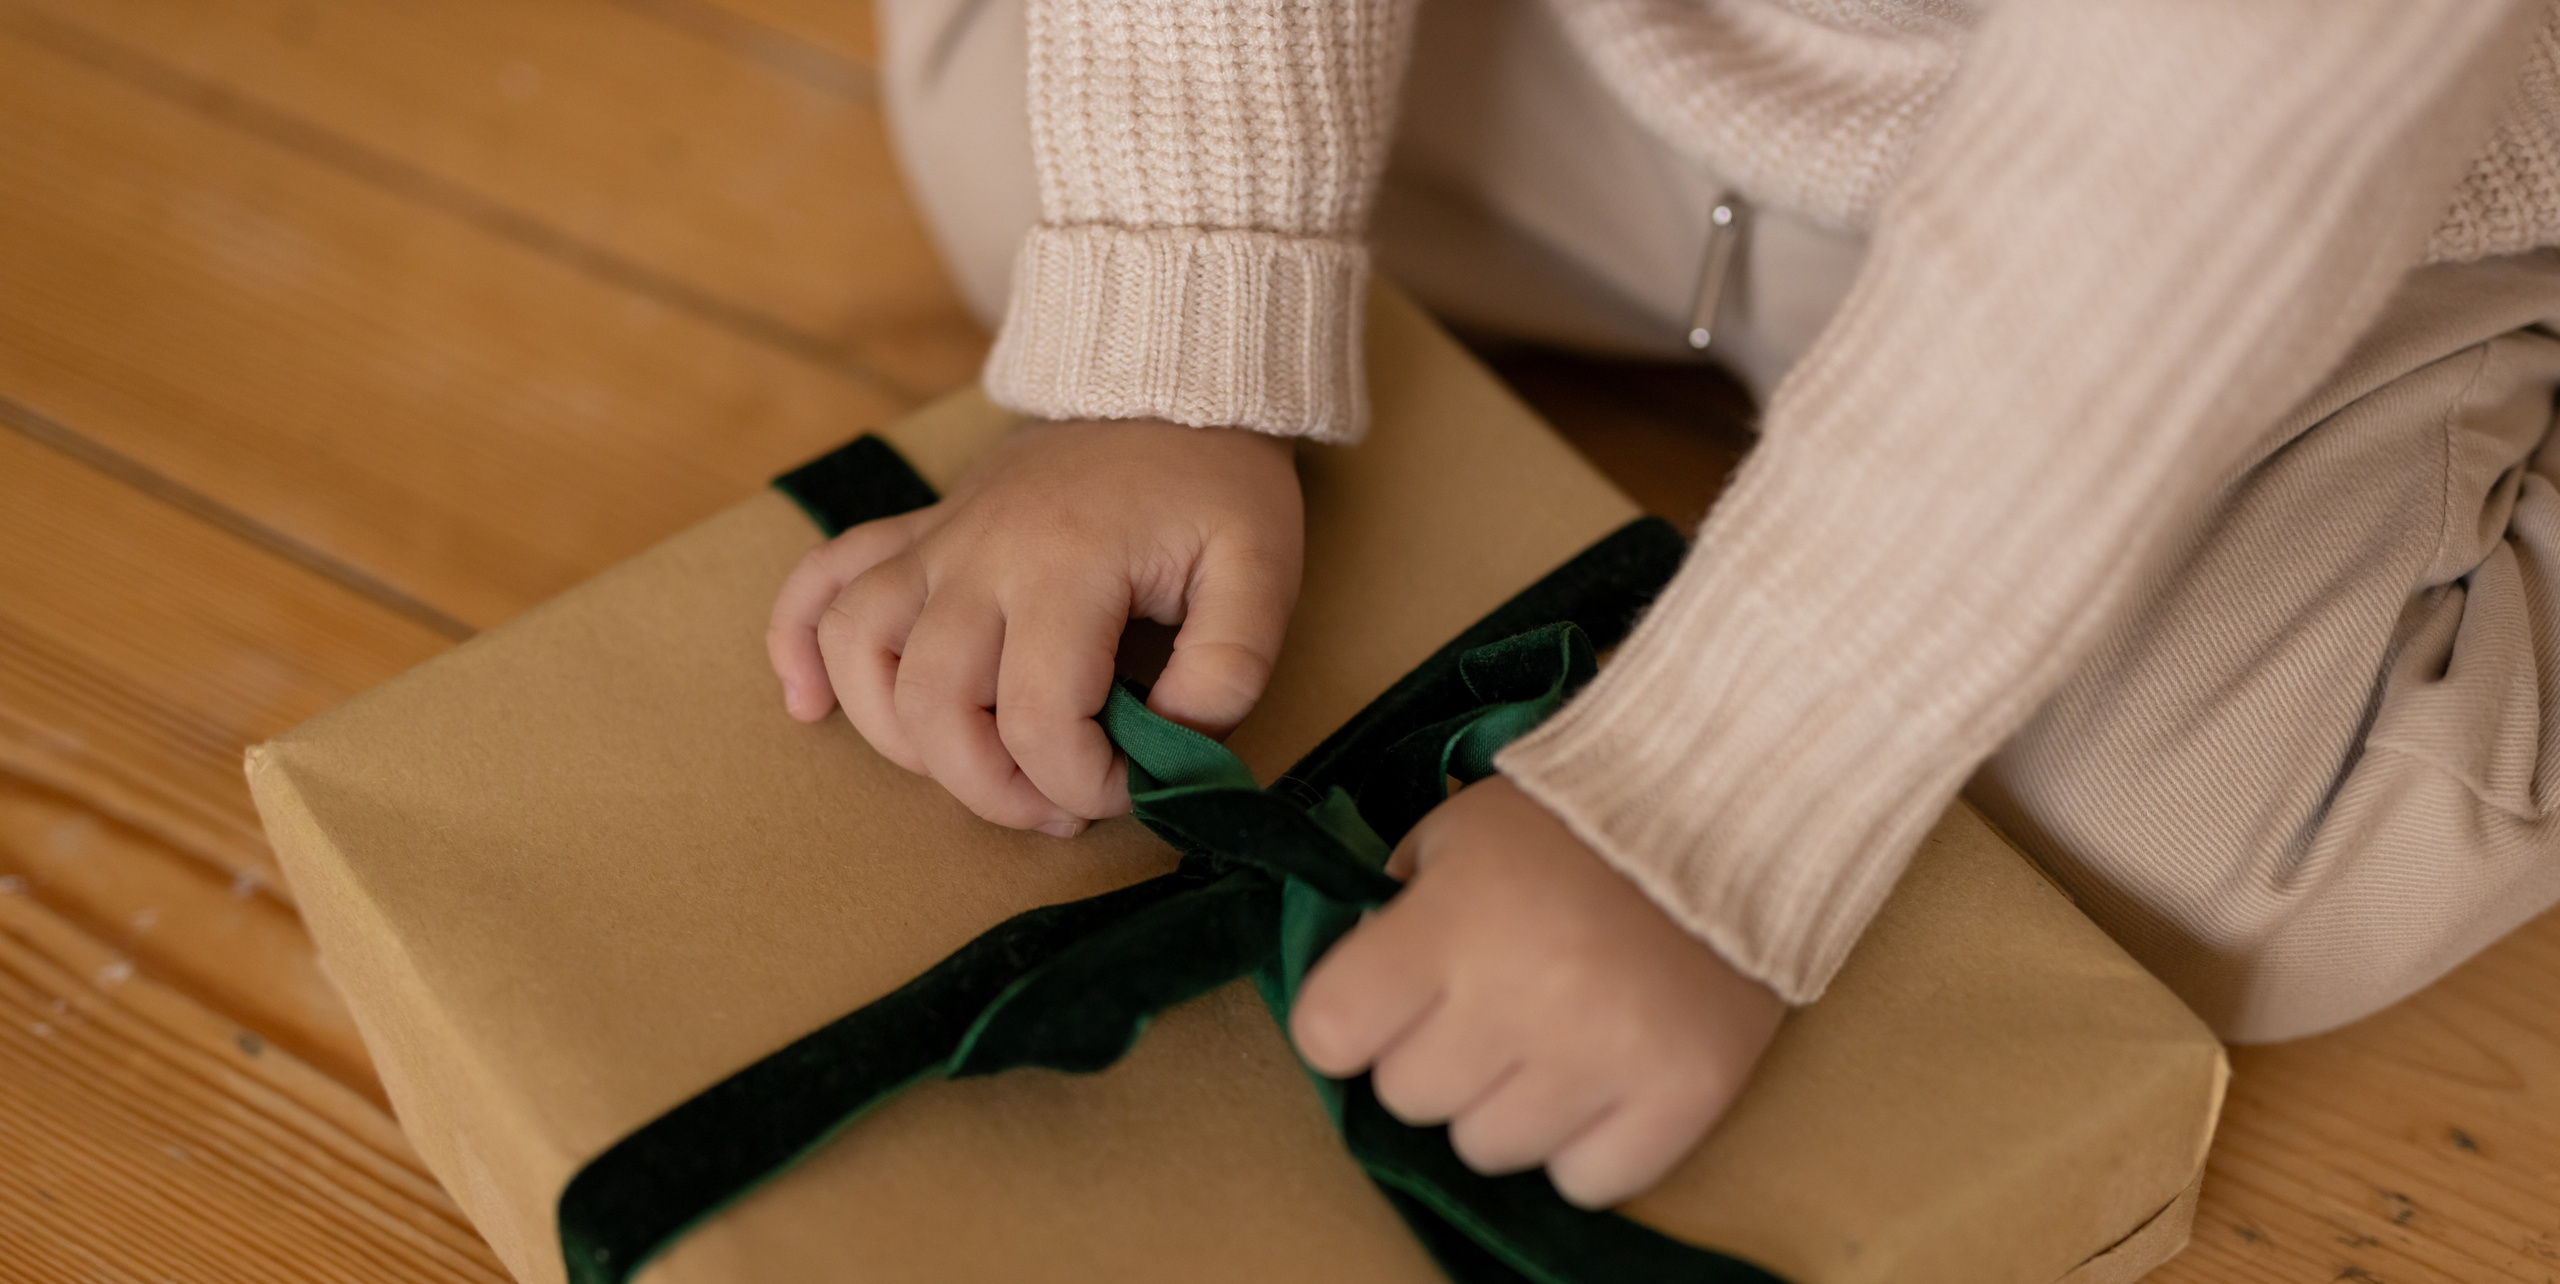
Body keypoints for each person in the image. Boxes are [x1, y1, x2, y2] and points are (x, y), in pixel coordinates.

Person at [770, 0, 2560, 1208]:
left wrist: (1717, 799)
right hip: (1660, 69)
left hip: (2315, 200)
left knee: (2213, 853)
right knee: (1005, 140)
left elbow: (2192, 165)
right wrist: (1171, 321)